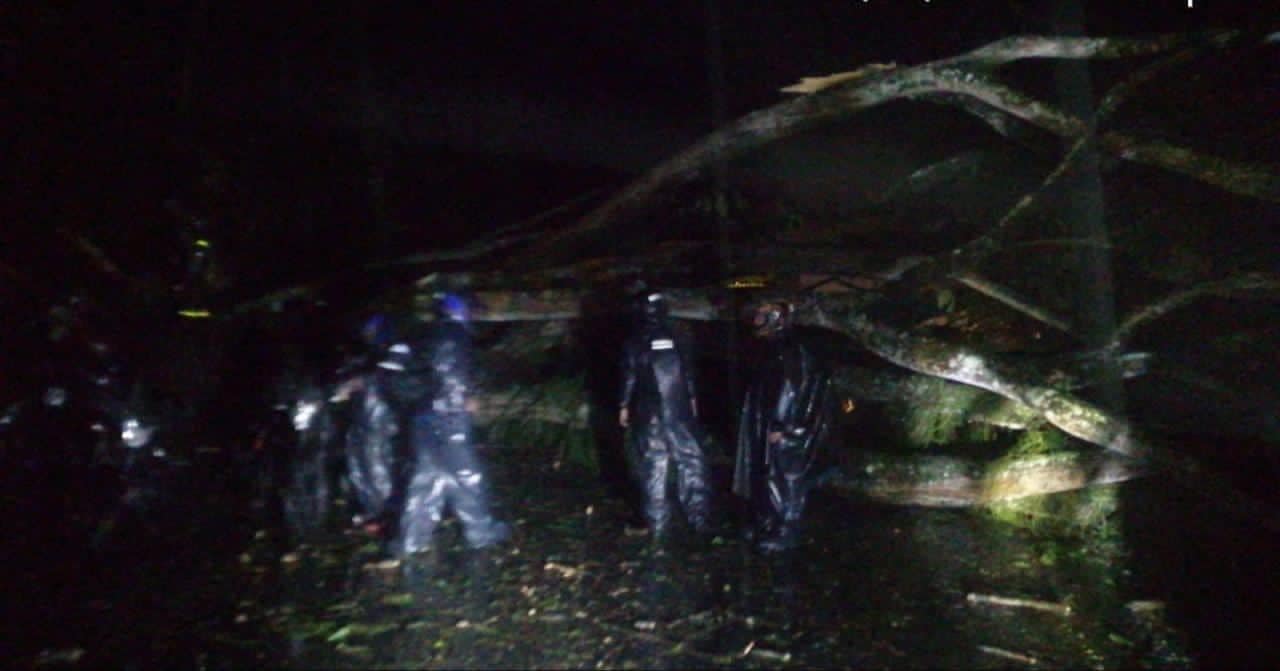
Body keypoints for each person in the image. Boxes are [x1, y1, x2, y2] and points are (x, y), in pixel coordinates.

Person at [381, 292, 510, 556]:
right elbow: (450, 371)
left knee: (426, 480)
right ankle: (482, 534)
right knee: (468, 476)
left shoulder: (427, 335)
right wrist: (460, 400)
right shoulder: (453, 334)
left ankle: (411, 542)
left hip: (422, 417)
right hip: (447, 417)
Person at [733, 299, 833, 553]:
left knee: (784, 477)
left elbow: (791, 390)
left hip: (788, 428)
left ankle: (785, 530)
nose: (757, 320)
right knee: (768, 473)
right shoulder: (774, 347)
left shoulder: (790, 350)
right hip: (771, 423)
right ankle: (767, 521)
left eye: (763, 315)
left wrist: (784, 427)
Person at [618, 290, 712, 538]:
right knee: (691, 460)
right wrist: (692, 400)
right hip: (678, 409)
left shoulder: (635, 340)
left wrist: (624, 405)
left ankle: (658, 522)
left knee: (654, 465)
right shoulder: (679, 336)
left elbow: (629, 376)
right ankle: (699, 517)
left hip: (649, 412)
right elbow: (689, 372)